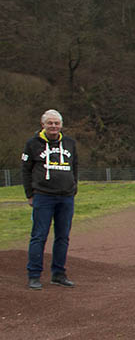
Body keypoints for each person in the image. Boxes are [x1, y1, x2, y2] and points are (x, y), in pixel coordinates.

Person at [22, 109, 79, 290]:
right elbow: (25, 170)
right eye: (50, 123)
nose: (53, 126)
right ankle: (34, 275)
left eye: (56, 123)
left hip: (66, 197)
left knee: (63, 237)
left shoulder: (69, 143)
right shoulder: (33, 144)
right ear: (43, 125)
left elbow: (74, 167)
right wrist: (30, 194)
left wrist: (73, 187)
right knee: (39, 236)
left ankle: (58, 274)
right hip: (43, 196)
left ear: (61, 125)